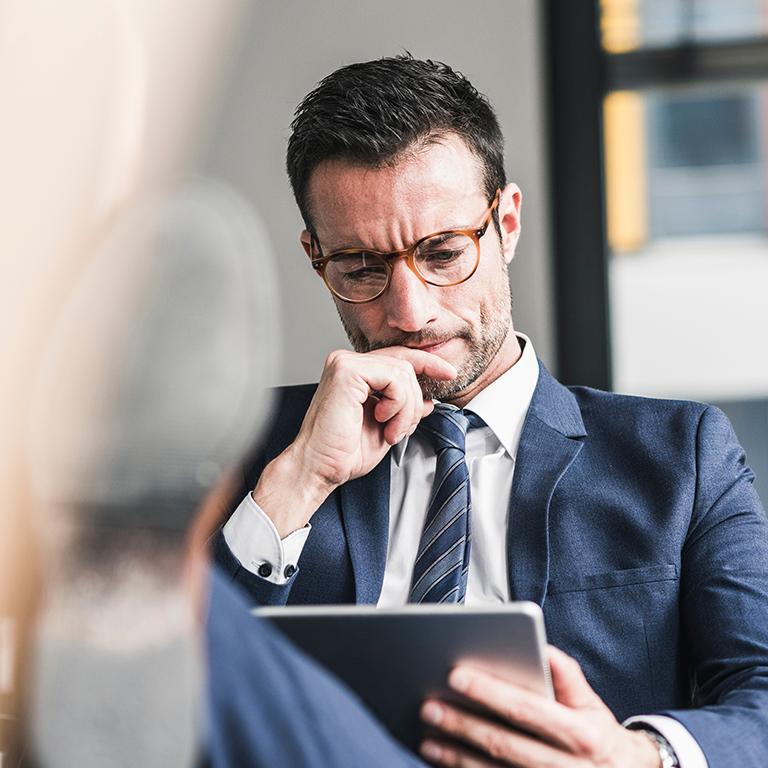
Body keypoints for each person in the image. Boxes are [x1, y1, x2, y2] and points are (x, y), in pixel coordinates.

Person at [209, 55, 768, 768]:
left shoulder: (682, 455)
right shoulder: (254, 446)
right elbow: (160, 692)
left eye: (442, 253)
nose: (411, 311)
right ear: (316, 257)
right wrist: (297, 485)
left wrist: (638, 757)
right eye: (360, 269)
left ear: (505, 223)